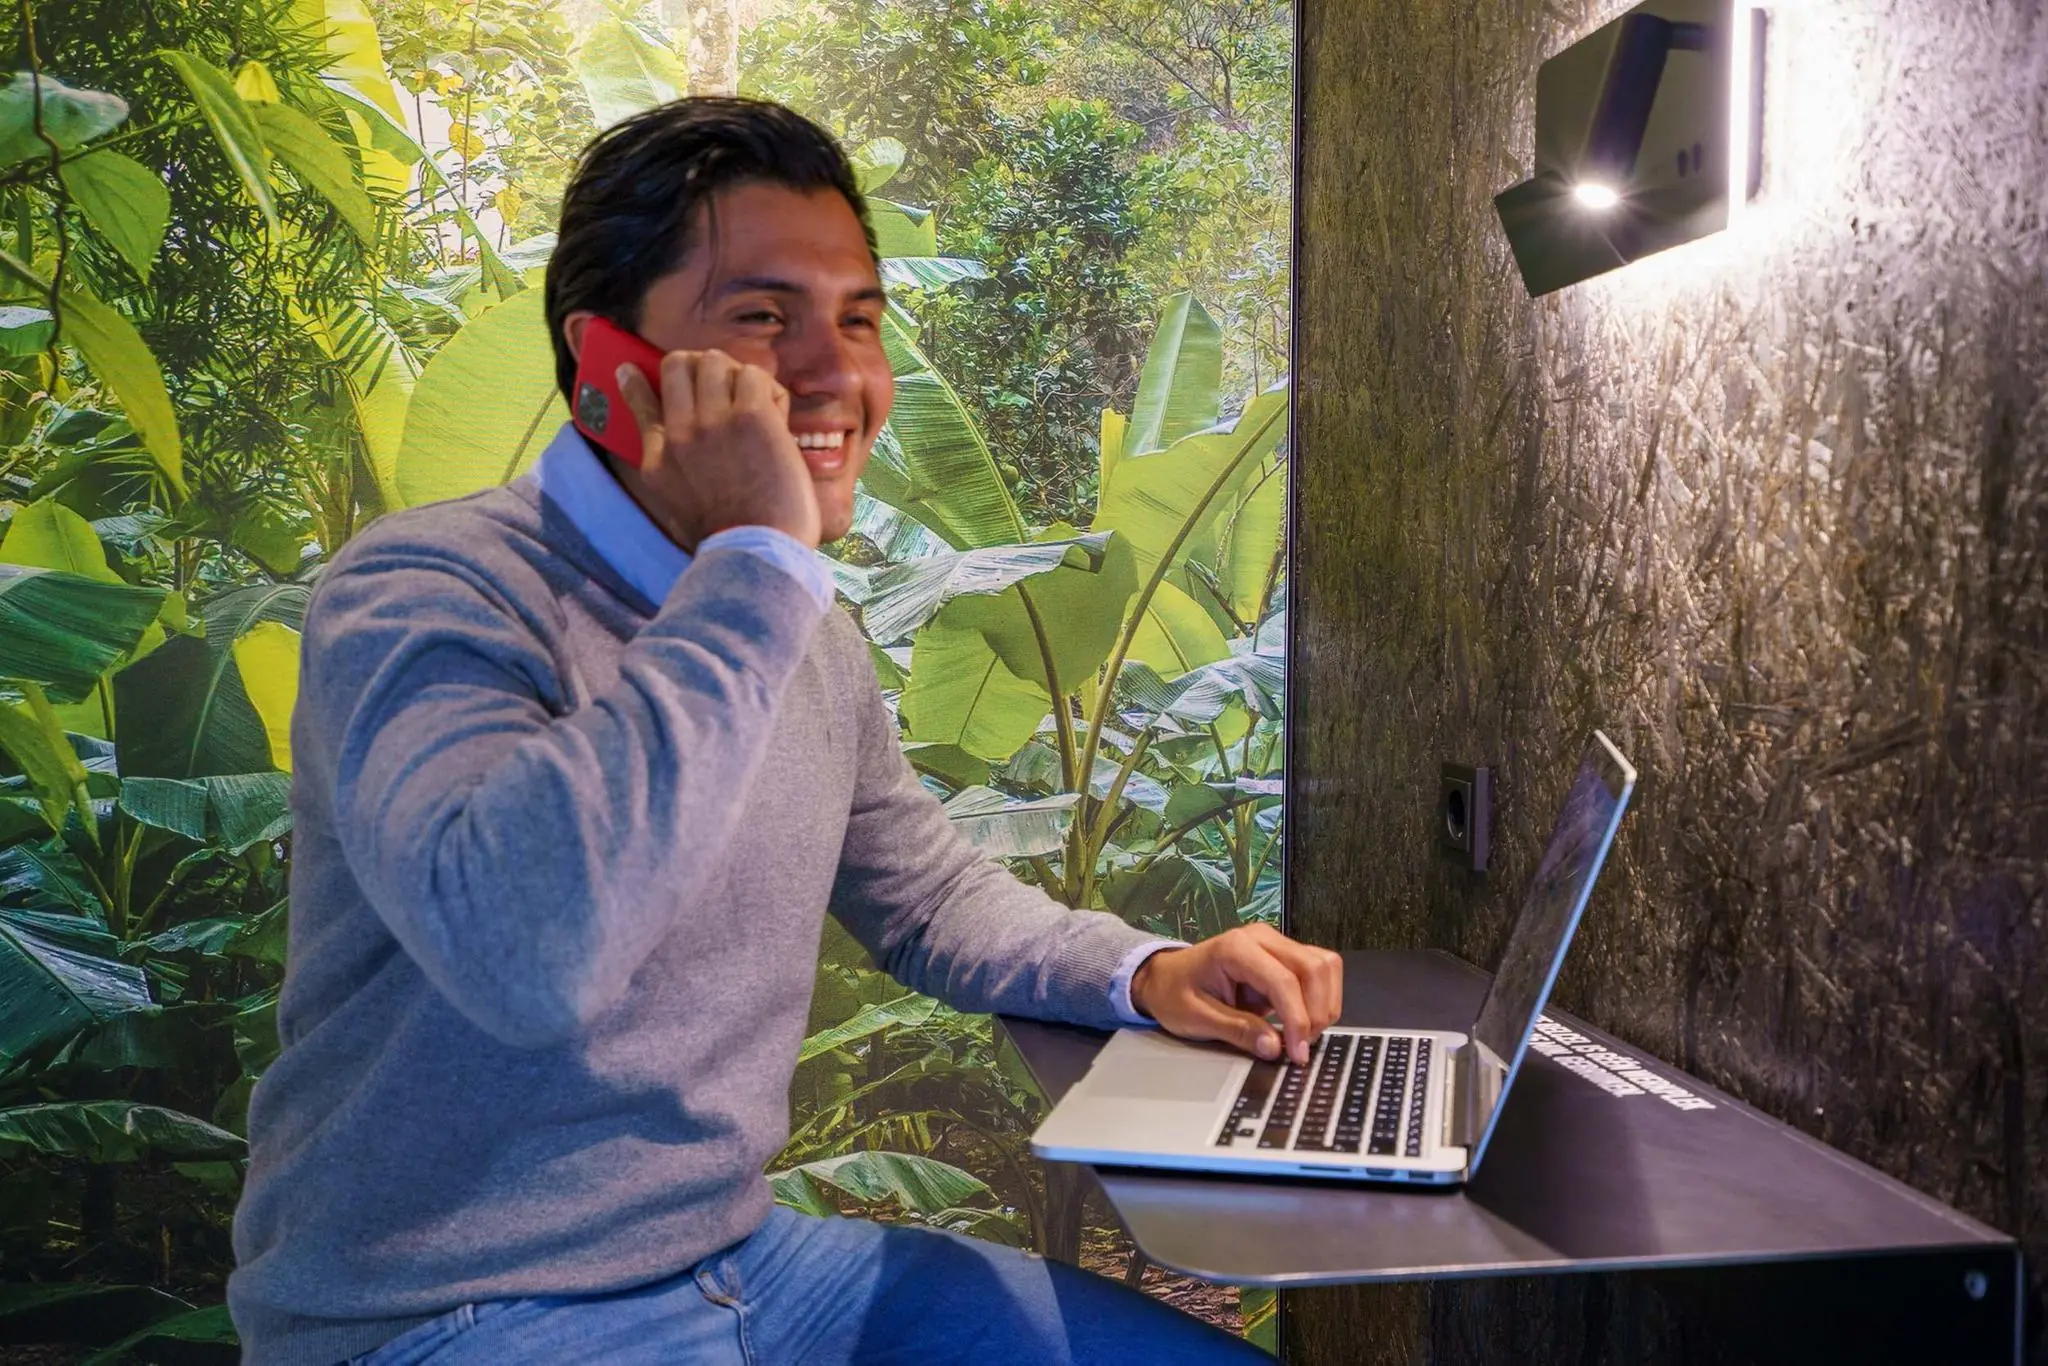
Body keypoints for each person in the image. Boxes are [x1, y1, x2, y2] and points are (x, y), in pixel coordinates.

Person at [228, 97, 1341, 1366]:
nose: (838, 375)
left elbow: (922, 895)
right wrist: (756, 559)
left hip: (744, 1261)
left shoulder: (796, 626)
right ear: (606, 367)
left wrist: (1144, 971)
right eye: (762, 318)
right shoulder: (428, 587)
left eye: (857, 320)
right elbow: (527, 955)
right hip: (446, 1311)